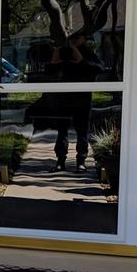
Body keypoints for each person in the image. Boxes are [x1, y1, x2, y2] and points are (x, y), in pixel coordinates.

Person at [47, 33, 104, 172]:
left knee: (82, 131)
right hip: (62, 98)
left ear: (84, 39)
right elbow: (49, 69)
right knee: (62, 131)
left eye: (76, 38)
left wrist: (80, 58)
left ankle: (81, 162)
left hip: (82, 98)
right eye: (71, 39)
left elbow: (98, 68)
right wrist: (57, 50)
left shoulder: (89, 54)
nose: (72, 42)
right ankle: (60, 161)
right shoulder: (62, 52)